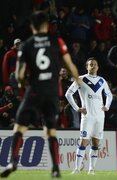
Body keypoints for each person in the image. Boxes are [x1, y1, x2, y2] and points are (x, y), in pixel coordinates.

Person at [0, 11, 80, 178]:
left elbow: (20, 75)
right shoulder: (57, 41)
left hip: (34, 91)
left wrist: (22, 87)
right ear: (47, 25)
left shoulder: (26, 45)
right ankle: (56, 168)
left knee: (19, 128)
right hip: (51, 92)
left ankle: (13, 161)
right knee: (50, 131)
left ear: (31, 26)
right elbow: (70, 66)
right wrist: (77, 81)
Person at [65, 57, 113, 175]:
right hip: (88, 117)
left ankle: (91, 169)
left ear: (98, 67)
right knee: (83, 142)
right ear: (87, 67)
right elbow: (68, 94)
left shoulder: (102, 81)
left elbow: (109, 95)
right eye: (90, 64)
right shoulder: (81, 79)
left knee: (96, 143)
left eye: (95, 64)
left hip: (100, 117)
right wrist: (77, 108)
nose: (93, 66)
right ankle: (76, 169)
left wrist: (107, 106)